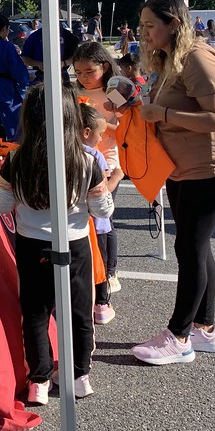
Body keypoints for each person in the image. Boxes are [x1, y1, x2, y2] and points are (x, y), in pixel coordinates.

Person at [131, 0, 215, 366]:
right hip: (184, 168)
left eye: (150, 26)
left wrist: (161, 112)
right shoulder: (169, 58)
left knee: (189, 248)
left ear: (174, 24)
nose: (143, 33)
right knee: (197, 246)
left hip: (210, 169)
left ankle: (179, 336)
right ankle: (205, 328)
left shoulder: (198, 57)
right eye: (143, 26)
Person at [0, 84, 114, 404]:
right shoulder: (87, 160)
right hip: (75, 244)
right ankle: (79, 374)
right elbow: (103, 210)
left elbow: (2, 204)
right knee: (77, 311)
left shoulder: (16, 158)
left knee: (35, 311)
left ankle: (39, 380)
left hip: (31, 244)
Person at [71, 41, 124, 294]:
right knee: (85, 218)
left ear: (104, 67)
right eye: (78, 72)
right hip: (80, 160)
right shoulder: (72, 92)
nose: (83, 78)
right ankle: (92, 267)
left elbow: (129, 131)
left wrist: (100, 122)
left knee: (104, 218)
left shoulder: (115, 92)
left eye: (89, 72)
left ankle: (110, 271)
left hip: (108, 161)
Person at [80, 102, 118, 323]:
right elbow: (103, 190)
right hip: (97, 222)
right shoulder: (94, 156)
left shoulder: (66, 152)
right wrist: (118, 176)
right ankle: (101, 304)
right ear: (87, 132)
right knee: (99, 265)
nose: (102, 138)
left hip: (78, 223)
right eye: (100, 133)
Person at [21, 19, 80, 85]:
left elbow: (76, 55)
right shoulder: (35, 36)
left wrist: (64, 63)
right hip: (41, 76)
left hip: (62, 75)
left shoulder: (67, 35)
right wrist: (38, 64)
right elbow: (25, 57)